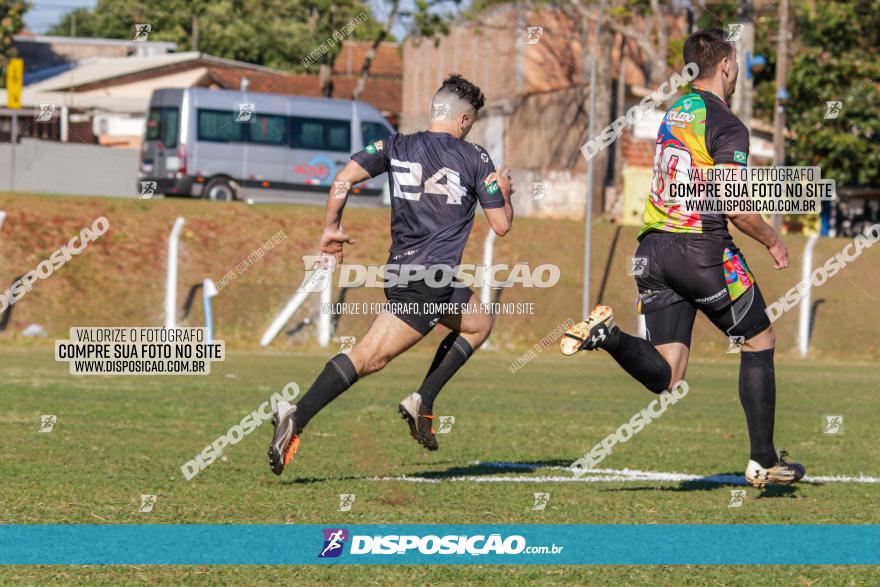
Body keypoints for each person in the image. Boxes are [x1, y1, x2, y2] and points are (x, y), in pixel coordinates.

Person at [561, 29, 805, 488]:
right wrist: (772, 239)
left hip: (652, 251)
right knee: (759, 340)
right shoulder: (727, 124)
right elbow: (734, 204)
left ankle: (610, 337)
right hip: (700, 251)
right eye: (735, 64)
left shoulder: (676, 112)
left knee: (667, 377)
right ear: (727, 65)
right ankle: (763, 460)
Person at [268, 74, 515, 475]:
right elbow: (501, 225)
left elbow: (342, 180)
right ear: (465, 120)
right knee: (369, 357)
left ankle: (423, 400)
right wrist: (504, 191)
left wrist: (331, 227)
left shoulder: (394, 144)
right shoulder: (476, 158)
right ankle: (296, 414)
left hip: (405, 274)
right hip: (428, 283)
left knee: (478, 321)